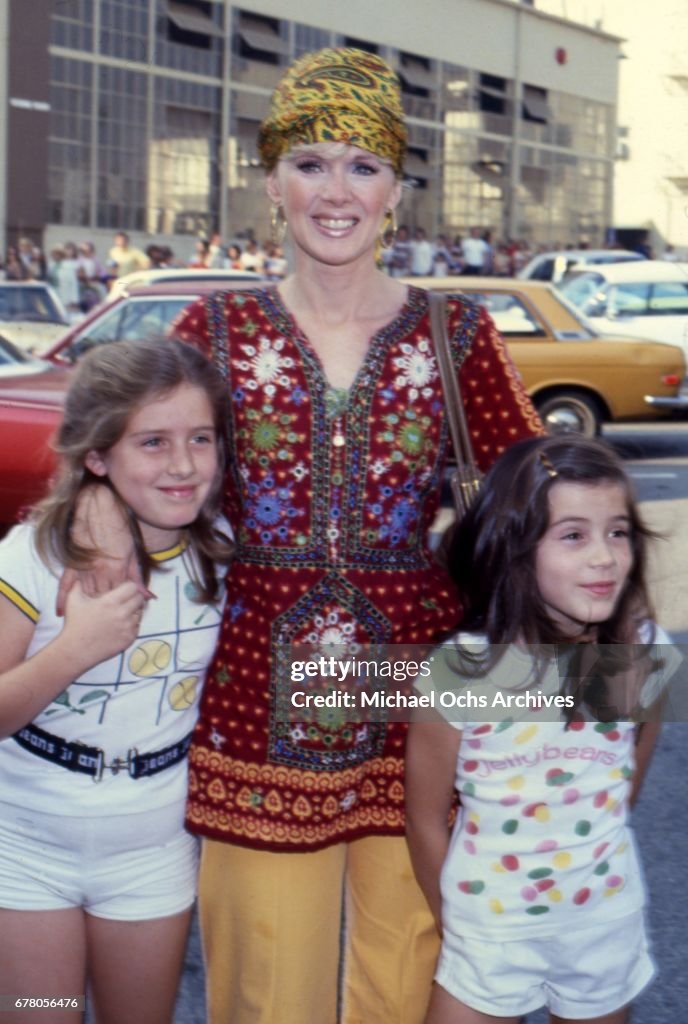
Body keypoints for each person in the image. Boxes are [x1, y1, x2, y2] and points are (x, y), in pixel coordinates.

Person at [63, 47, 541, 1024]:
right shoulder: (216, 328)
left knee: (409, 973)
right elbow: (115, 442)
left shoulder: (456, 335)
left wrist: (599, 649)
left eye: (363, 166)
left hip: (415, 699)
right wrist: (102, 515)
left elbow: (540, 494)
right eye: (311, 163)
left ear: (395, 190)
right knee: (264, 987)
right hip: (255, 707)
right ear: (272, 180)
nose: (336, 191)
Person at [406, 434, 677, 1024]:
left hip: (602, 925)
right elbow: (423, 819)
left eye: (618, 532)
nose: (604, 557)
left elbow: (624, 788)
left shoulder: (645, 655)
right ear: (515, 549)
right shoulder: (460, 671)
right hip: (487, 933)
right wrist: (457, 928)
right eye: (573, 535)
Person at [0, 339, 233, 1024]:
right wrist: (75, 649)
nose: (184, 464)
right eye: (153, 442)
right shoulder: (37, 554)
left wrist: (509, 688)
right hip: (26, 848)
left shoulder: (225, 551)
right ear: (97, 456)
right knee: (42, 1010)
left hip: (152, 853)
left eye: (201, 438)